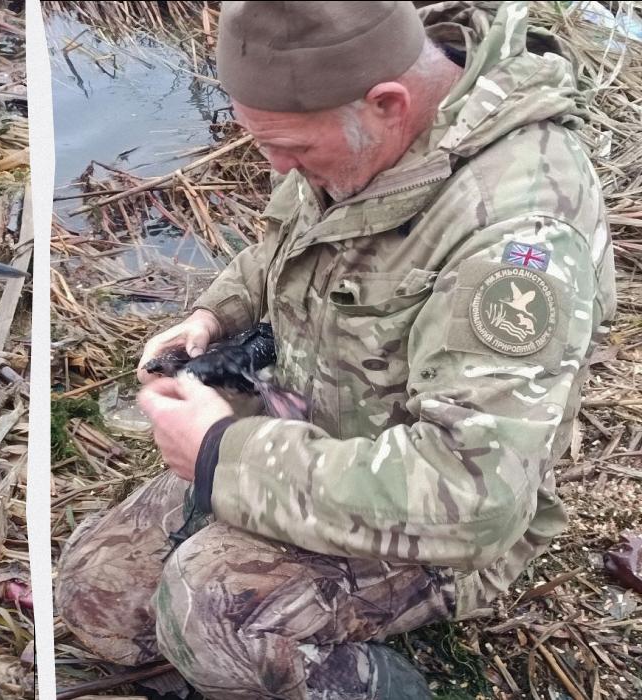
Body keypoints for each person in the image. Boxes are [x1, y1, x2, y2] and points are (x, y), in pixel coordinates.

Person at [54, 2, 617, 698]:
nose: (278, 166)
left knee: (209, 613)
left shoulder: (516, 238)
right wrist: (214, 312)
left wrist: (221, 456)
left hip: (433, 524)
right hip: (305, 446)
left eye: (294, 151)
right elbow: (290, 241)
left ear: (387, 103)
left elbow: (478, 497)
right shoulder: (343, 131)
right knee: (95, 599)